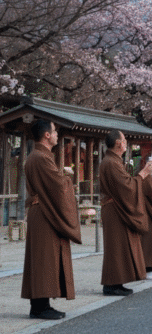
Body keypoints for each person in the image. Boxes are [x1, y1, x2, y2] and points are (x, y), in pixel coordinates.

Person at [21, 118, 81, 320]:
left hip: (42, 211)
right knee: (44, 258)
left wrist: (60, 175)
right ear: (47, 135)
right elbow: (56, 186)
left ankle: (41, 304)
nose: (56, 135)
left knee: (44, 258)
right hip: (44, 212)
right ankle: (40, 306)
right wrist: (67, 178)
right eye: (54, 131)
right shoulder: (40, 157)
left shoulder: (38, 156)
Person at [99, 129, 152, 297]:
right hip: (115, 209)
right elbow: (126, 187)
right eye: (124, 140)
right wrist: (143, 175)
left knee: (120, 247)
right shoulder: (111, 162)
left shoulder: (113, 161)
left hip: (117, 209)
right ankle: (111, 284)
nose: (126, 143)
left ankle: (117, 282)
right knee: (115, 247)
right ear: (118, 144)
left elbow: (125, 184)